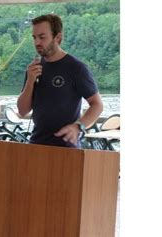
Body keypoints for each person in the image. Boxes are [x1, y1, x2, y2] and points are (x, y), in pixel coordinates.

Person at [17, 14, 103, 148]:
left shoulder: (76, 68)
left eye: (42, 37)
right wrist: (30, 81)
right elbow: (22, 110)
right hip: (36, 144)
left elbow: (97, 105)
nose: (37, 42)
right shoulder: (34, 68)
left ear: (58, 37)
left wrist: (78, 127)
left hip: (67, 147)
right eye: (34, 37)